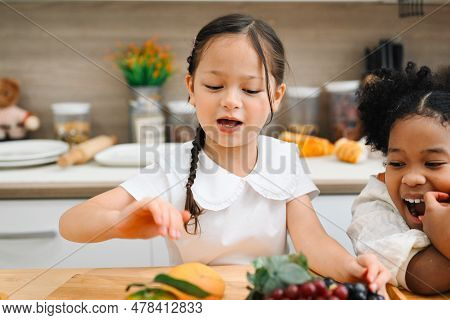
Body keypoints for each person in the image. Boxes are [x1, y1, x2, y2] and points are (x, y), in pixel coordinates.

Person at [60, 13, 390, 296]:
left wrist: (352, 268)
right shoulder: (171, 167)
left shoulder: (285, 158)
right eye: (214, 86)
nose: (231, 101)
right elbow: (71, 224)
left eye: (250, 89)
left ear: (276, 96)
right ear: (190, 88)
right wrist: (121, 222)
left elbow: (313, 244)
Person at [347, 62, 450, 295]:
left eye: (433, 163)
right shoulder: (374, 206)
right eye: (397, 163)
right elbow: (422, 275)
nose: (411, 179)